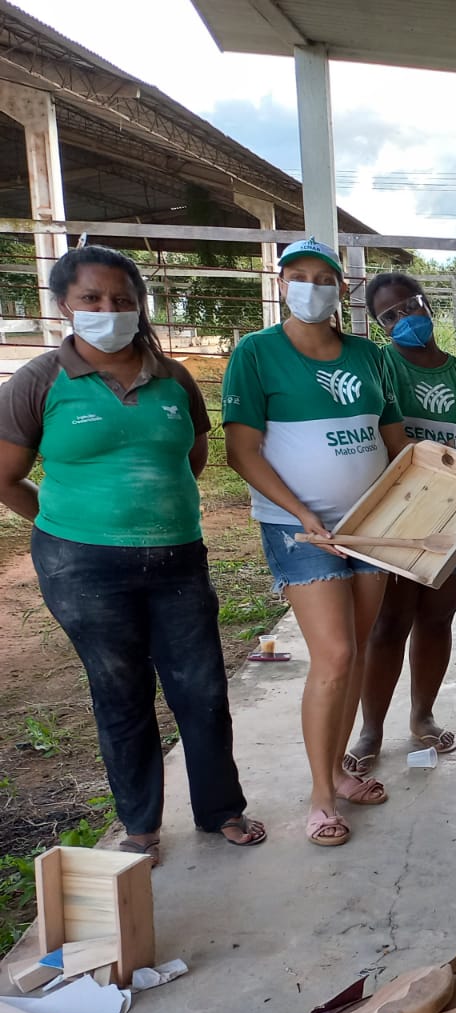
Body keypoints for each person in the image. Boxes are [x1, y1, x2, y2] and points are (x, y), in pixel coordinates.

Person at [0, 246, 264, 863]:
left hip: (177, 558)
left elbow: (192, 456)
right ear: (65, 305)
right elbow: (6, 476)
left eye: (121, 299)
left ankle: (220, 808)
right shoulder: (40, 381)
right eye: (91, 299)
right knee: (119, 690)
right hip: (82, 569)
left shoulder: (172, 378)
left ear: (139, 304)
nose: (108, 310)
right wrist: (66, 524)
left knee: (200, 687)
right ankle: (140, 823)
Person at [223, 238, 406, 847]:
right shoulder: (256, 354)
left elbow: (395, 438)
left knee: (354, 648)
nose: (310, 286)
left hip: (370, 526)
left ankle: (336, 770)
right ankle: (321, 798)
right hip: (298, 527)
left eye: (322, 277)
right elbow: (241, 450)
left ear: (341, 289)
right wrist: (303, 514)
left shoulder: (367, 354)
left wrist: (418, 503)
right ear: (281, 285)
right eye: (296, 275)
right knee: (332, 654)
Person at [341, 272, 456, 776]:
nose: (405, 318)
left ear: (426, 304)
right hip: (397, 517)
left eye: (411, 305)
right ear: (378, 325)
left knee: (436, 618)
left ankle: (422, 716)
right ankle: (371, 730)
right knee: (390, 622)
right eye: (389, 315)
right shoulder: (379, 366)